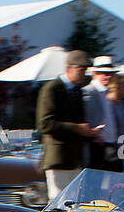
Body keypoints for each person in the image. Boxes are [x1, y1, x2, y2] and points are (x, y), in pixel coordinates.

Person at [36, 49, 98, 198]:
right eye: (81, 70)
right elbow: (45, 124)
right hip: (58, 159)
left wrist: (89, 133)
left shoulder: (77, 92)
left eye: (85, 70)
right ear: (69, 69)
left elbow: (78, 125)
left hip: (75, 159)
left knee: (73, 202)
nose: (85, 74)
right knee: (59, 202)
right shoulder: (52, 89)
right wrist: (78, 128)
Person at [82, 56, 124, 171]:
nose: (108, 76)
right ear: (94, 74)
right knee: (96, 185)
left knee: (116, 185)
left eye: (110, 73)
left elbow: (121, 125)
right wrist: (92, 138)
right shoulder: (88, 92)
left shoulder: (111, 95)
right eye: (103, 73)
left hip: (114, 148)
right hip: (96, 148)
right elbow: (81, 119)